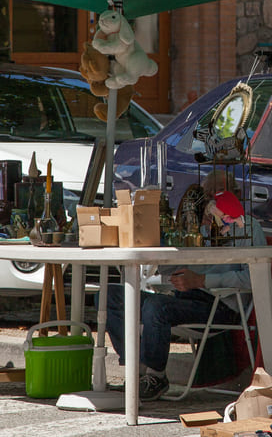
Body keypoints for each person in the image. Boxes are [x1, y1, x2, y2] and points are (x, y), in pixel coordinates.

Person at [105, 169, 263, 401]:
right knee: (111, 295)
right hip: (188, 298)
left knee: (156, 307)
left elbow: (253, 278)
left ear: (235, 195)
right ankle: (136, 369)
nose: (210, 200)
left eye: (216, 193)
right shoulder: (198, 229)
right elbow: (171, 271)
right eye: (206, 195)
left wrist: (202, 281)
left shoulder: (247, 227)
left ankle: (156, 376)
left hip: (221, 306)